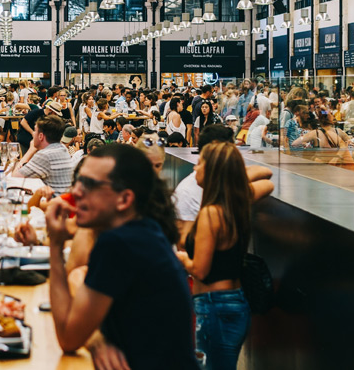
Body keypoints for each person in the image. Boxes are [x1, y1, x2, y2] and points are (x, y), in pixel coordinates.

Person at [46, 144, 197, 370]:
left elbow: (68, 338)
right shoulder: (143, 232)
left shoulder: (120, 243)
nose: (76, 191)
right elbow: (79, 276)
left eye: (89, 185)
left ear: (124, 199)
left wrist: (56, 244)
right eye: (78, 180)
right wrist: (96, 336)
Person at [176, 142, 253, 370]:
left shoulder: (211, 213)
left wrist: (180, 259)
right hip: (231, 302)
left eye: (200, 164)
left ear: (213, 172)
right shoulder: (235, 205)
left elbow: (200, 269)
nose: (194, 169)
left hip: (214, 305)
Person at [173, 124, 274, 242]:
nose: (195, 168)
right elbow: (183, 242)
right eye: (230, 147)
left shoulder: (227, 189)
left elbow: (266, 174)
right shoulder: (188, 192)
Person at [15, 114, 74, 194]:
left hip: (54, 203)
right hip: (63, 200)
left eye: (35, 131)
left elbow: (16, 176)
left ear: (41, 136)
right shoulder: (62, 148)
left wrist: (31, 150)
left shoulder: (45, 155)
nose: (33, 134)